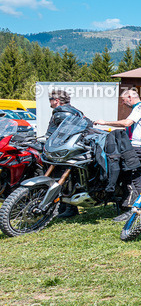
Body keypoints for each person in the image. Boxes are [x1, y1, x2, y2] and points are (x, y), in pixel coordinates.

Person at [95, 88, 141, 222]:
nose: (123, 103)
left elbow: (127, 123)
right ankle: (126, 204)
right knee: (125, 174)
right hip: (132, 147)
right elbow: (126, 127)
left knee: (132, 176)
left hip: (139, 147)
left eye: (123, 100)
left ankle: (137, 207)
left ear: (130, 98)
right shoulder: (136, 110)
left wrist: (105, 122)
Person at [47, 90, 85, 218]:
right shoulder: (76, 111)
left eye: (50, 99)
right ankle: (63, 207)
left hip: (60, 150)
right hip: (69, 148)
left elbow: (57, 133)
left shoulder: (61, 113)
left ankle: (69, 209)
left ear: (57, 100)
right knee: (66, 178)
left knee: (61, 179)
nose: (50, 102)